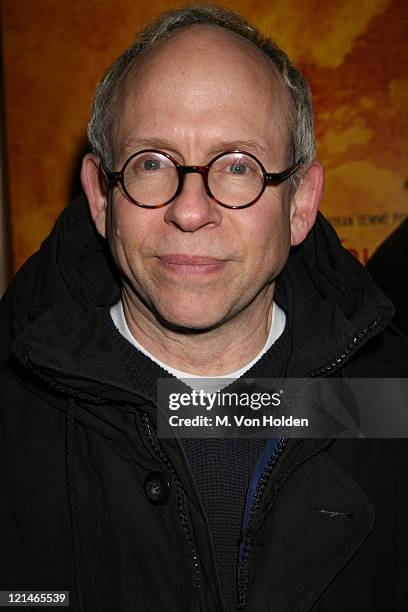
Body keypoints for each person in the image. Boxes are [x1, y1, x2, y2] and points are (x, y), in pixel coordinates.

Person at [1, 5, 407, 612]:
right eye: (151, 163)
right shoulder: (13, 416)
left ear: (300, 203)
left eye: (238, 165)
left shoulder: (393, 403)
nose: (190, 212)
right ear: (100, 197)